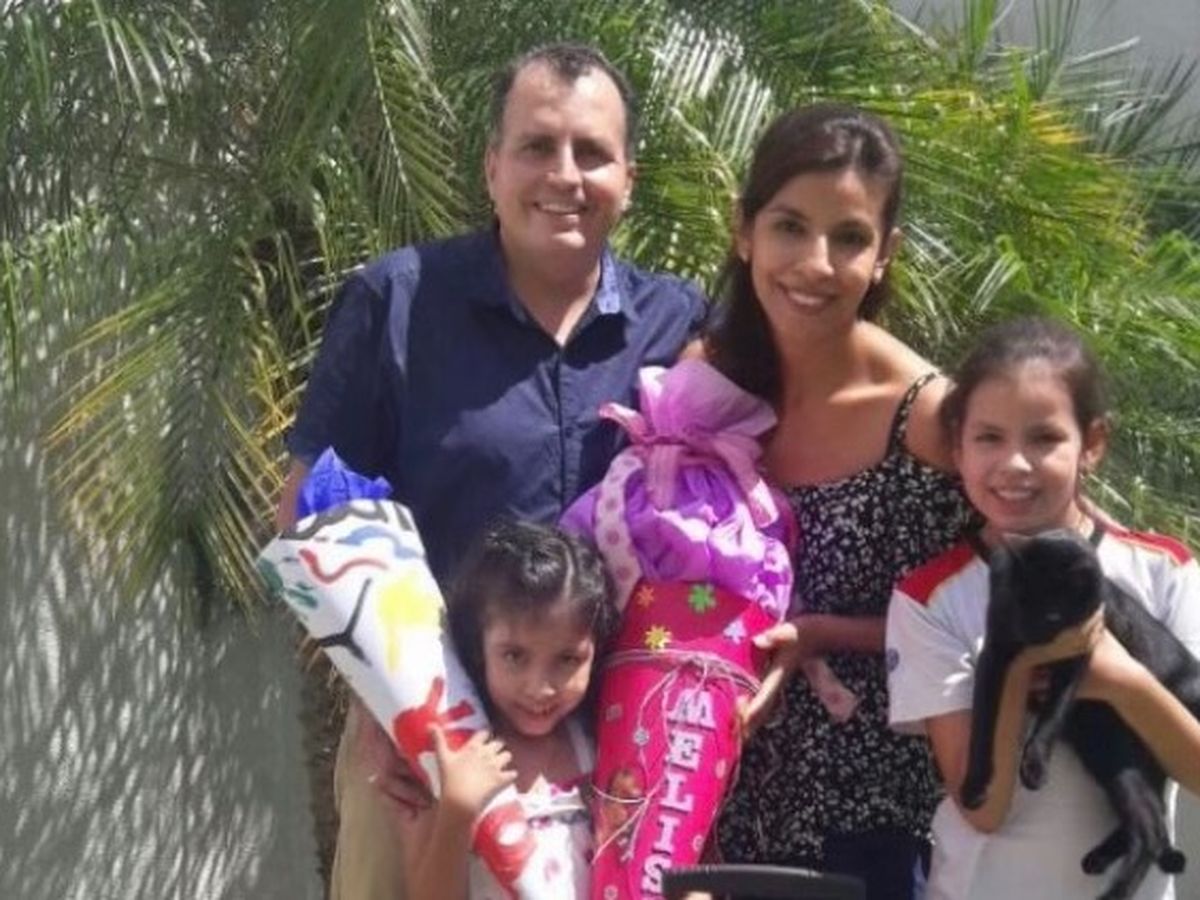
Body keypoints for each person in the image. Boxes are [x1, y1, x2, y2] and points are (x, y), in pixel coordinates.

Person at [273, 42, 706, 899]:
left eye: (592, 152)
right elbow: (309, 520)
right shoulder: (397, 303)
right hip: (416, 757)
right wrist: (388, 712)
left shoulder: (680, 323)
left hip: (615, 762)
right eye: (538, 146)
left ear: (629, 177)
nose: (565, 175)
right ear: (492, 166)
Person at [704, 104, 975, 899]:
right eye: (790, 226)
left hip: (869, 832)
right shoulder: (707, 385)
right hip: (709, 801)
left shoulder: (930, 420)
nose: (815, 263)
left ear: (885, 254)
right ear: (743, 230)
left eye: (849, 237)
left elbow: (990, 620)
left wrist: (824, 633)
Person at [886, 316, 1200, 899]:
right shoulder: (929, 598)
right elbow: (983, 809)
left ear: (1092, 444)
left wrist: (1119, 679)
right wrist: (1019, 663)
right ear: (957, 447)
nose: (1015, 463)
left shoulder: (1165, 571)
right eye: (989, 438)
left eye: (1044, 438)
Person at [396, 520, 618, 900]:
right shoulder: (455, 756)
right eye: (515, 656)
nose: (540, 688)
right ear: (478, 647)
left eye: (567, 659)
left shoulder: (600, 746)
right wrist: (457, 810)